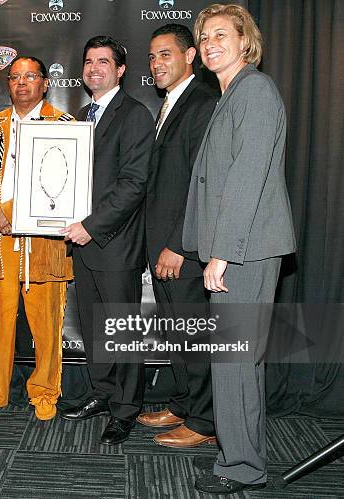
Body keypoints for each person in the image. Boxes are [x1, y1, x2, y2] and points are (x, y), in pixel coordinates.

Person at [182, 4, 296, 493]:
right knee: (235, 361)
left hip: (244, 251)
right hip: (237, 247)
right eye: (204, 36)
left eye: (221, 34)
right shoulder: (232, 94)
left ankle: (244, 467)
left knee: (235, 360)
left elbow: (247, 180)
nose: (210, 43)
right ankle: (240, 458)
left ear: (245, 40)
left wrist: (221, 252)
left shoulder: (255, 90)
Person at [59, 36, 154, 445]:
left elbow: (133, 185)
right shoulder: (83, 115)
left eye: (104, 62)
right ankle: (103, 394)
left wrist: (92, 227)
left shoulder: (134, 115)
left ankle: (126, 410)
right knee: (96, 329)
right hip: (84, 244)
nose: (94, 68)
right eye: (88, 62)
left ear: (120, 70)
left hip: (114, 244)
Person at [0, 56, 74, 421]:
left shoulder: (64, 126)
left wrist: (9, 212)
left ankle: (45, 391)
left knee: (45, 323)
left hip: (44, 242)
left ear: (45, 83)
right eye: (15, 77)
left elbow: (63, 184)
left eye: (30, 77)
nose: (22, 83)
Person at [137, 24, 218, 448]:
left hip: (181, 246)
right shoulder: (172, 103)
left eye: (166, 54)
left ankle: (205, 422)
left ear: (190, 57)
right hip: (162, 242)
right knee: (176, 331)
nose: (156, 64)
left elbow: (201, 183)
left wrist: (179, 245)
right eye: (152, 57)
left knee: (194, 333)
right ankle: (186, 403)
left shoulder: (202, 103)